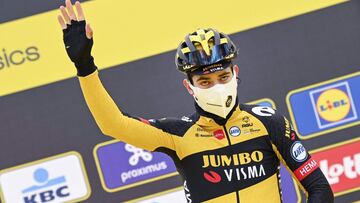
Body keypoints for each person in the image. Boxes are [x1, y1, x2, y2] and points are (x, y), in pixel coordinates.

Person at [57, 1, 334, 202]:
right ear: (188, 86)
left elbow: (319, 188)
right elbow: (113, 124)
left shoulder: (269, 122)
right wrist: (84, 65)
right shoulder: (178, 134)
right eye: (204, 81)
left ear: (235, 74)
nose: (215, 86)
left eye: (223, 76)